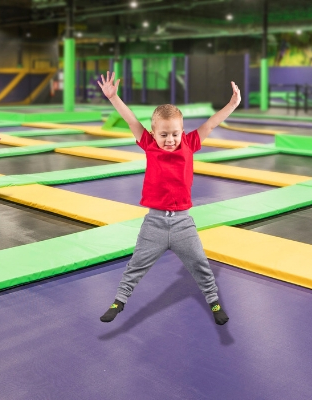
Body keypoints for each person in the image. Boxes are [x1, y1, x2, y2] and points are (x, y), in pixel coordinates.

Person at [97, 71, 239, 326]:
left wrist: (231, 105)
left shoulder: (190, 142)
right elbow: (131, 121)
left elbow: (211, 124)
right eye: (163, 135)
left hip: (183, 223)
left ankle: (214, 301)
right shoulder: (149, 144)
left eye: (174, 133)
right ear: (153, 133)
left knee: (200, 264)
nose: (170, 139)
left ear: (182, 131)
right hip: (154, 222)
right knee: (136, 264)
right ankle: (119, 300)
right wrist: (113, 98)